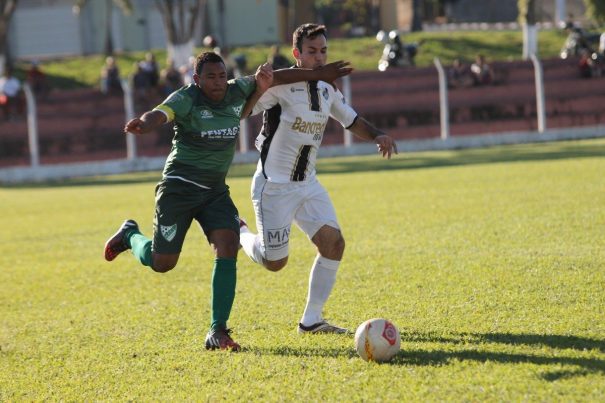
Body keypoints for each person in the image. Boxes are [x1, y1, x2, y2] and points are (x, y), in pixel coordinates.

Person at [103, 51, 352, 352]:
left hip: (214, 192)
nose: (218, 82)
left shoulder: (236, 89)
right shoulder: (187, 98)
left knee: (227, 245)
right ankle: (130, 234)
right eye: (210, 77)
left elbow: (280, 77)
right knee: (162, 262)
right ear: (196, 79)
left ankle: (217, 330)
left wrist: (319, 74)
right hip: (179, 189)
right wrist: (144, 123)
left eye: (221, 75)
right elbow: (160, 113)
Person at [238, 23, 398, 335]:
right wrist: (258, 88)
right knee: (275, 262)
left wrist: (378, 134)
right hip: (274, 186)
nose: (319, 57)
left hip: (308, 184)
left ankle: (311, 321)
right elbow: (244, 113)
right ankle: (241, 232)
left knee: (334, 243)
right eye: (311, 52)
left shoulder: (327, 90)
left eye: (323, 51)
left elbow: (351, 120)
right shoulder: (279, 86)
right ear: (297, 54)